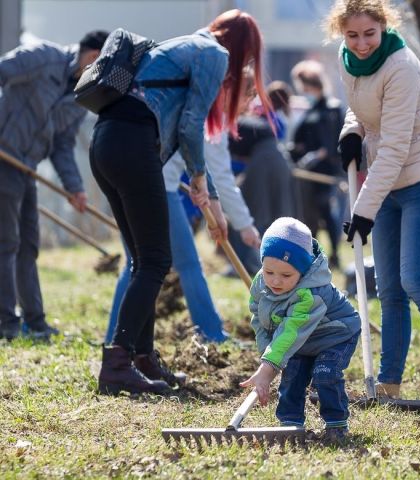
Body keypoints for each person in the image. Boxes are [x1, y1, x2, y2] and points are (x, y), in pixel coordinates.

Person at [90, 9, 271, 395]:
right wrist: (201, 180)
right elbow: (191, 126)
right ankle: (118, 362)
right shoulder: (214, 54)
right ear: (241, 46)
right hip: (133, 145)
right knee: (155, 260)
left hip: (106, 141)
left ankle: (142, 358)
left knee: (143, 258)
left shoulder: (179, 47)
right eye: (250, 57)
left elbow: (187, 137)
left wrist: (213, 203)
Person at [325, 0, 420, 414]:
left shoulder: (402, 66)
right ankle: (388, 384)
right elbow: (362, 106)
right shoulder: (347, 58)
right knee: (388, 289)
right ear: (342, 34)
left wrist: (362, 208)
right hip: (385, 184)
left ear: (384, 27)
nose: (362, 43)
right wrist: (351, 130)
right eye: (352, 35)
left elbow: (395, 147)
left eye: (369, 33)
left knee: (416, 281)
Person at [0, 30, 108, 341]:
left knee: (28, 245)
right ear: (92, 56)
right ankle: (6, 322)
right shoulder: (42, 57)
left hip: (26, 169)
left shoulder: (79, 97)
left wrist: (75, 188)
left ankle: (35, 322)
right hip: (3, 158)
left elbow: (62, 145)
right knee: (7, 243)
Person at [240, 217, 360, 440]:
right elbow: (261, 321)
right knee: (292, 376)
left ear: (303, 272)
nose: (275, 281)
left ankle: (336, 424)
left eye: (286, 275)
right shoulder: (260, 283)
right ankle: (290, 424)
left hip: (335, 334)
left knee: (325, 374)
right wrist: (269, 362)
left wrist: (268, 369)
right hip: (301, 339)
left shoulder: (310, 294)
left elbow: (291, 330)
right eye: (269, 272)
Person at [289, 60, 345, 268]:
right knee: (308, 213)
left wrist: (319, 154)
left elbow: (333, 142)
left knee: (326, 211)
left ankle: (335, 253)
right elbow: (300, 139)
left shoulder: (332, 108)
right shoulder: (310, 110)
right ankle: (312, 255)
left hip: (325, 172)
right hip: (307, 173)